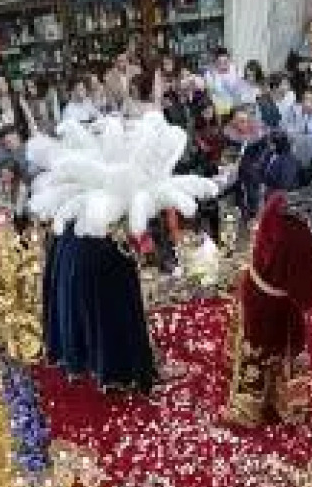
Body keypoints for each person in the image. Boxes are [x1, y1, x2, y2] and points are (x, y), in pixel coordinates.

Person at [31, 112, 215, 392]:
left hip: (80, 249)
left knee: (99, 307)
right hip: (100, 255)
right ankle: (124, 369)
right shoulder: (107, 217)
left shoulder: (80, 211)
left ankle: (89, 360)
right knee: (116, 309)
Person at [225, 191, 312, 426]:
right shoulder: (300, 236)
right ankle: (284, 405)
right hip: (278, 306)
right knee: (278, 351)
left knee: (254, 350)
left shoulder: (276, 203)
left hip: (255, 289)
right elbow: (309, 294)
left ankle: (248, 403)